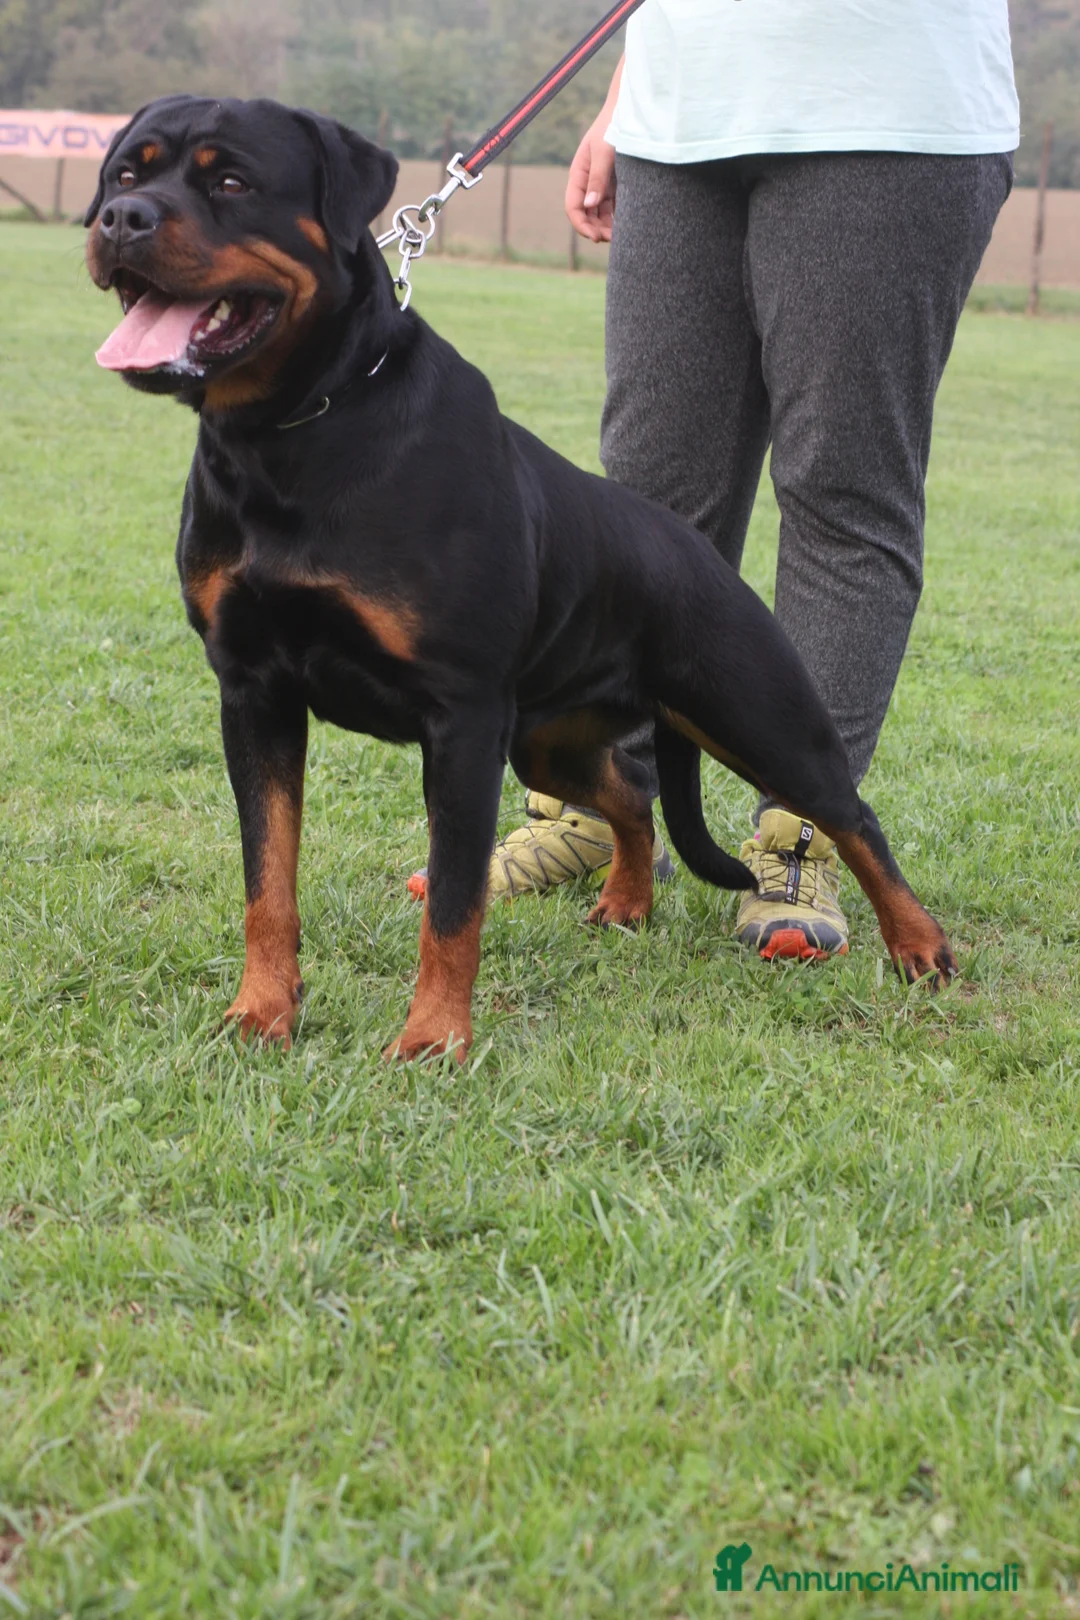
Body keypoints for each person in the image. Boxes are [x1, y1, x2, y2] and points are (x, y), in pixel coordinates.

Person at [411, 1, 1018, 962]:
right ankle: (603, 798)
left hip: (891, 117)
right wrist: (622, 100)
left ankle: (802, 833)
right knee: (644, 504)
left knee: (841, 495)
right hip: (681, 118)